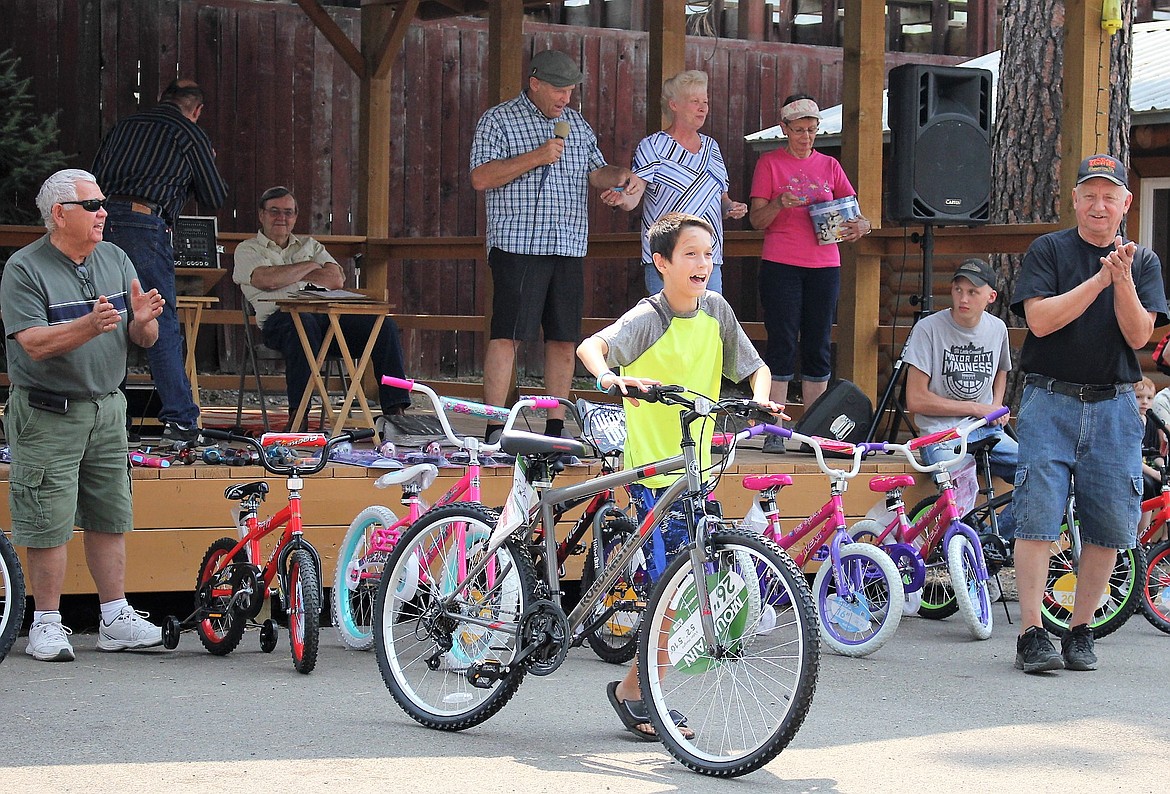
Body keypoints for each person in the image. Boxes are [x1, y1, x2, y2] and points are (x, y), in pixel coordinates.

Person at [577, 212, 783, 740]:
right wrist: (611, 379)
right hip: (653, 473)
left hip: (700, 471)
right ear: (661, 262)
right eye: (690, 254)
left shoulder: (717, 310)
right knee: (674, 588)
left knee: (695, 587)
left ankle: (634, 689)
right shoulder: (650, 315)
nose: (703, 264)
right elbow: (592, 349)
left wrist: (759, 400)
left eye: (708, 254)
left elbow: (754, 366)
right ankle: (641, 691)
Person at [1, 169, 168, 661]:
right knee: (46, 519)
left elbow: (143, 341)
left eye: (103, 204)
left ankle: (115, 617)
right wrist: (89, 326)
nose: (103, 213)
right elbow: (32, 344)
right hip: (48, 410)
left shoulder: (116, 258)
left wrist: (142, 325)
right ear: (59, 214)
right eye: (92, 205)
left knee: (109, 515)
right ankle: (46, 624)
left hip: (107, 407)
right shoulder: (24, 268)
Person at [1010, 154, 1167, 673]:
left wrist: (1121, 279)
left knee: (1107, 522)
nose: (1099, 205)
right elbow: (1040, 321)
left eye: (1110, 196)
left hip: (1116, 406)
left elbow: (1141, 337)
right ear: (1075, 200)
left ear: (1125, 204)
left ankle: (1081, 630)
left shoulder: (1142, 262)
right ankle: (1032, 633)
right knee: (1037, 515)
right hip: (1049, 399)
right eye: (1089, 195)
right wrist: (1098, 282)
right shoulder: (1049, 250)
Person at [470, 49, 643, 442]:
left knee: (565, 339)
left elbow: (595, 171)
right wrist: (538, 156)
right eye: (560, 91)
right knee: (507, 335)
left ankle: (555, 428)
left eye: (570, 91)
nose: (566, 99)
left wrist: (621, 177)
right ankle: (496, 428)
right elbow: (480, 177)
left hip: (567, 245)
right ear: (535, 84)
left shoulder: (577, 126)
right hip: (518, 244)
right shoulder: (498, 120)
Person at [92, 78, 228, 447]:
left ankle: (111, 422)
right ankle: (181, 422)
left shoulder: (124, 126)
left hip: (101, 223)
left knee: (108, 320)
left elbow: (93, 179)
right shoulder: (189, 132)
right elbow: (215, 195)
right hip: (145, 224)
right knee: (157, 319)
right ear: (196, 109)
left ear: (161, 98)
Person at [748, 94, 871, 453]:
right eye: (799, 130)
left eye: (812, 130)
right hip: (781, 262)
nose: (806, 137)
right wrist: (777, 204)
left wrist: (859, 227)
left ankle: (817, 429)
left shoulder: (830, 166)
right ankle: (775, 427)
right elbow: (756, 221)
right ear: (784, 128)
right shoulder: (770, 164)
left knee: (818, 344)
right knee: (782, 341)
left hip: (824, 265)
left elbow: (855, 213)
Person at [232, 186, 410, 428]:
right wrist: (309, 266)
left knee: (384, 326)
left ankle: (396, 413)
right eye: (274, 211)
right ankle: (299, 416)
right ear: (261, 215)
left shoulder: (310, 244)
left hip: (328, 319)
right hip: (281, 320)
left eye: (288, 212)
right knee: (301, 323)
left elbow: (335, 279)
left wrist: (288, 274)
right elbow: (267, 279)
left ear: (295, 217)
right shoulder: (248, 248)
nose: (281, 218)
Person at [604, 70, 747, 295]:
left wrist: (731, 208)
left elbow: (722, 199)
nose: (702, 108)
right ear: (674, 105)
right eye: (694, 101)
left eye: (705, 102)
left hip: (707, 259)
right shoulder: (652, 146)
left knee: (708, 326)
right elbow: (633, 196)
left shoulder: (712, 148)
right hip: (667, 258)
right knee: (670, 328)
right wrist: (621, 198)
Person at [904, 258, 1017, 542]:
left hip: (986, 429)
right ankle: (964, 547)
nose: (962, 298)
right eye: (957, 290)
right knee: (961, 489)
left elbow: (1001, 370)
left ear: (991, 297)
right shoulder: (927, 329)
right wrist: (977, 408)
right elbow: (915, 399)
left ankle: (990, 542)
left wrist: (997, 407)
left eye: (972, 292)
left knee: (1041, 475)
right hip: (940, 435)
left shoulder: (998, 329)